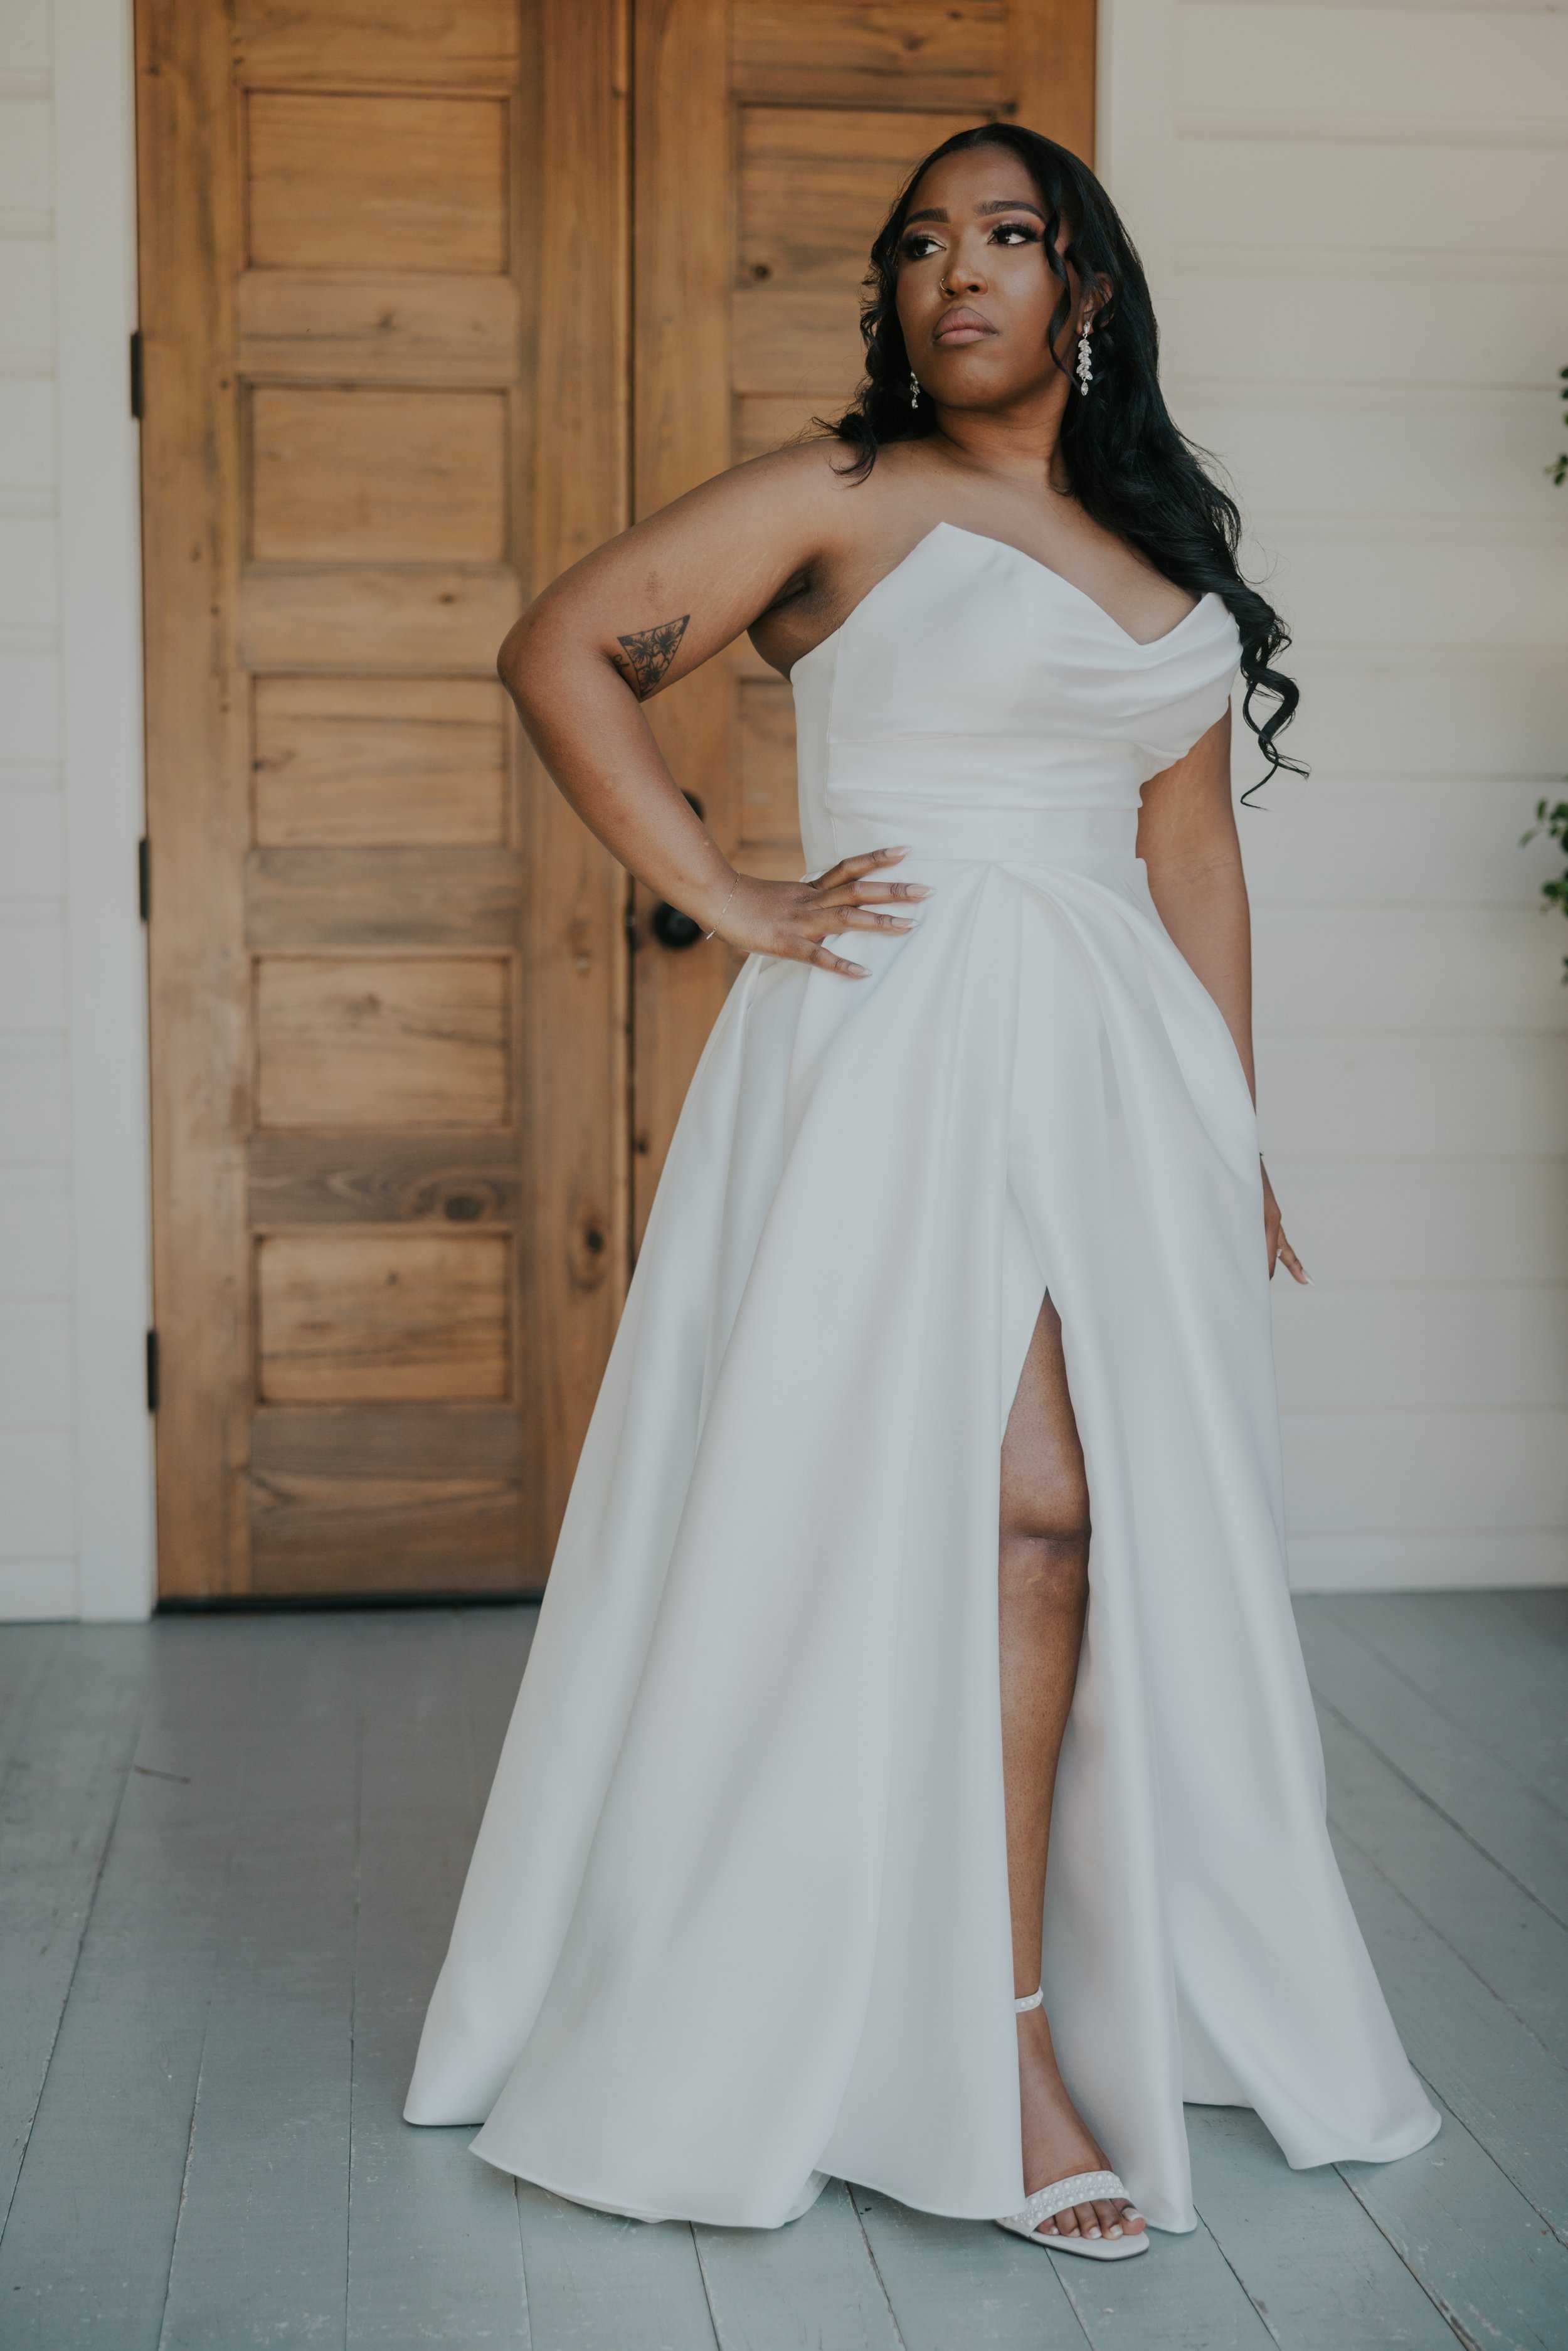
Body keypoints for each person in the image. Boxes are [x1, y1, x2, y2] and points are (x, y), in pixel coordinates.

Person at [405, 124, 1438, 2256]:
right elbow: (563, 644)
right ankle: (981, 2030)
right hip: (893, 1058)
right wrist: (724, 894)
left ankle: (1008, 1988)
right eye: (915, 246)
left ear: (1089, 287)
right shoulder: (844, 494)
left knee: (1070, 1522)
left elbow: (1191, 858)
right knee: (930, 1513)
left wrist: (1227, 1138)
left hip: (1112, 1076)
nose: (949, 273)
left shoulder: (1158, 551)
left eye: (1003, 238)